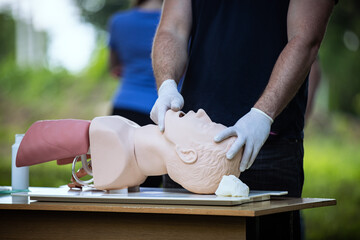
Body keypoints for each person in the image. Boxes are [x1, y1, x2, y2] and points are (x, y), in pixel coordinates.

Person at [150, 0, 336, 239]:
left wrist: (263, 114)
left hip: (268, 147)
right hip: (188, 148)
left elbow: (305, 37)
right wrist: (167, 84)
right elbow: (172, 28)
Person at [16, 109, 242, 194]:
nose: (202, 113)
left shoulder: (111, 133)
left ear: (186, 153)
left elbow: (30, 145)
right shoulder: (132, 171)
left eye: (205, 125)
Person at [107, 0, 163, 187]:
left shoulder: (119, 21)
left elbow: (113, 67)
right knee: (152, 188)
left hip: (125, 108)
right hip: (161, 112)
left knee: (117, 182)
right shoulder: (176, 20)